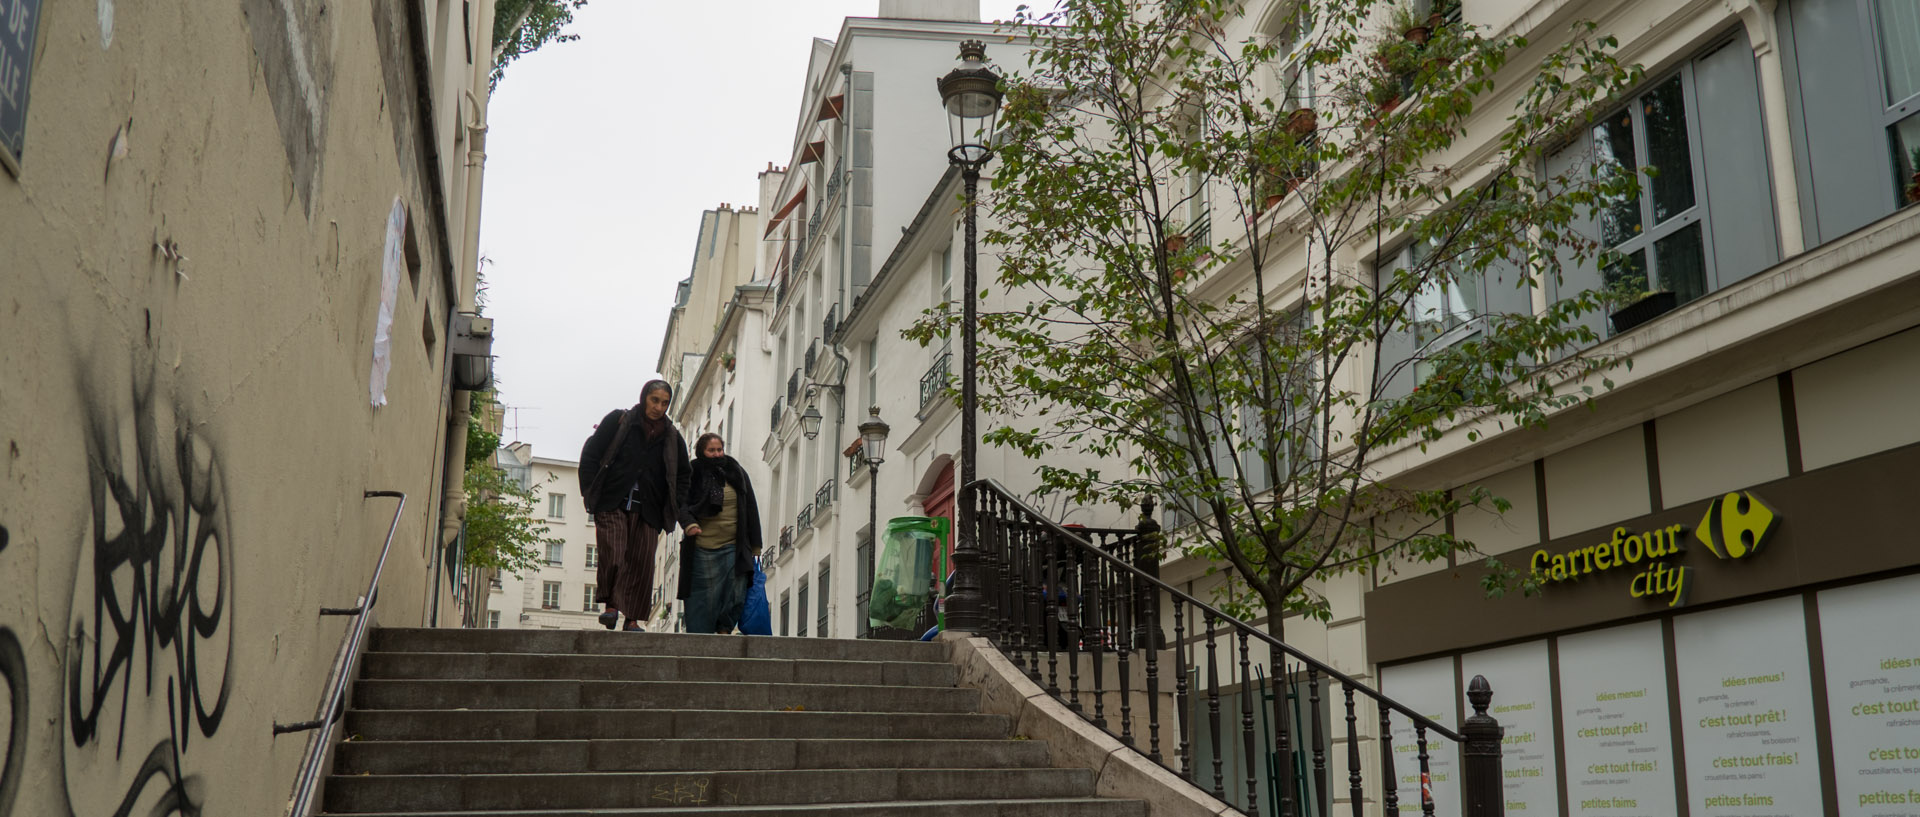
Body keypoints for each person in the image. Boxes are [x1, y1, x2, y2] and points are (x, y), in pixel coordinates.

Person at [579, 380, 697, 631]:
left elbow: (684, 475)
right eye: (654, 400)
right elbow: (591, 453)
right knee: (614, 551)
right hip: (613, 501)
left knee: (642, 564)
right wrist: (590, 491)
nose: (658, 407)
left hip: (650, 508)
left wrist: (673, 506)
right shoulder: (619, 421)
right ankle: (611, 607)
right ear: (644, 398)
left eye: (664, 403)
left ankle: (631, 619)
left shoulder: (672, 437)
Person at [679, 433, 762, 633]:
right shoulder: (692, 472)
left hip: (734, 544)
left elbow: (750, 505)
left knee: (736, 590)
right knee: (702, 598)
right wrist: (689, 524)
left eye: (719, 450)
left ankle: (725, 629)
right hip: (702, 547)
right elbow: (680, 502)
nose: (716, 455)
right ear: (701, 452)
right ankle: (701, 637)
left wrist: (756, 544)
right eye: (711, 450)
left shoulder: (736, 471)